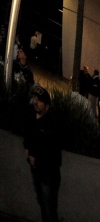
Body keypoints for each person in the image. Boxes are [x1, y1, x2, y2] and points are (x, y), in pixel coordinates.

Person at [24, 86, 61, 222]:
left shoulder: (52, 126)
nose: (35, 102)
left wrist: (37, 161)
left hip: (48, 176)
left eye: (39, 101)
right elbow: (27, 134)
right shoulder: (31, 115)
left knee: (50, 210)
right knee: (42, 206)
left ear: (47, 106)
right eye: (35, 99)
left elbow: (55, 159)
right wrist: (26, 148)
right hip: (36, 172)